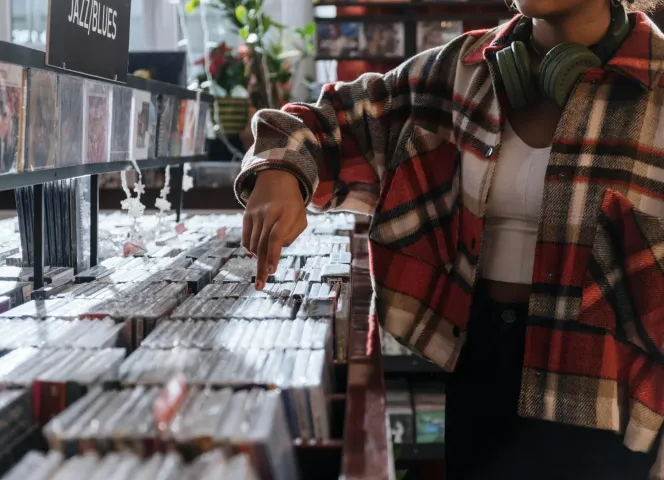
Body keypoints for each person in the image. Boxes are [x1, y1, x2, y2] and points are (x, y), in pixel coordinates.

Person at [235, 0, 664, 478]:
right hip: (477, 363)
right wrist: (280, 172)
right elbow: (318, 123)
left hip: (604, 395)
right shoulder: (460, 69)